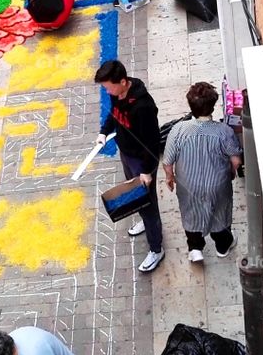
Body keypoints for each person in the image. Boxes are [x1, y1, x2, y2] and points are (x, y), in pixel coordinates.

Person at [94, 59, 164, 273]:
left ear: (123, 82)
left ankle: (156, 248)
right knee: (136, 197)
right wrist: (104, 131)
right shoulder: (117, 93)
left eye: (109, 87)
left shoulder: (143, 107)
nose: (107, 91)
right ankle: (144, 220)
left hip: (142, 161)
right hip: (126, 154)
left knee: (149, 205)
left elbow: (152, 141)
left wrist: (146, 171)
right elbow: (114, 113)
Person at [164, 82, 242, 263]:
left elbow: (168, 161)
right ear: (213, 106)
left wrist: (170, 177)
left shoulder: (178, 130)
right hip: (218, 184)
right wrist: (231, 172)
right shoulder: (224, 131)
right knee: (220, 214)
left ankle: (195, 249)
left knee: (191, 213)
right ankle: (222, 247)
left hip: (188, 185)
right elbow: (236, 160)